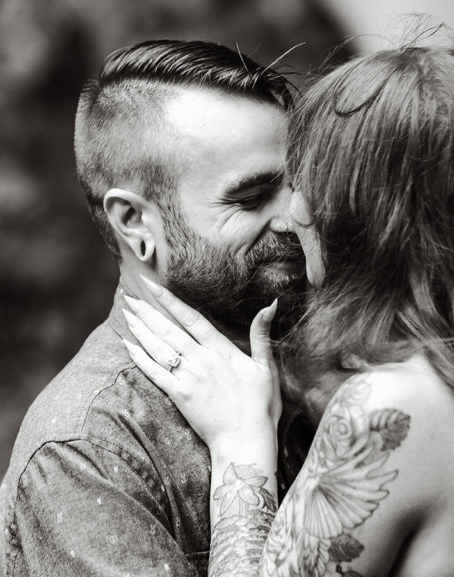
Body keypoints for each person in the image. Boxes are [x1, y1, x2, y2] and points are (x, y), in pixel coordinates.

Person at [124, 38, 454, 577]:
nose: (294, 213)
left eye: (307, 182)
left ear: (366, 219)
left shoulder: (386, 409)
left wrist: (240, 443)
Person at [1, 39, 309, 577]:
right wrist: (242, 452)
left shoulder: (333, 362)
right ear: (136, 224)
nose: (297, 216)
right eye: (251, 197)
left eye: (298, 184)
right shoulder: (88, 451)